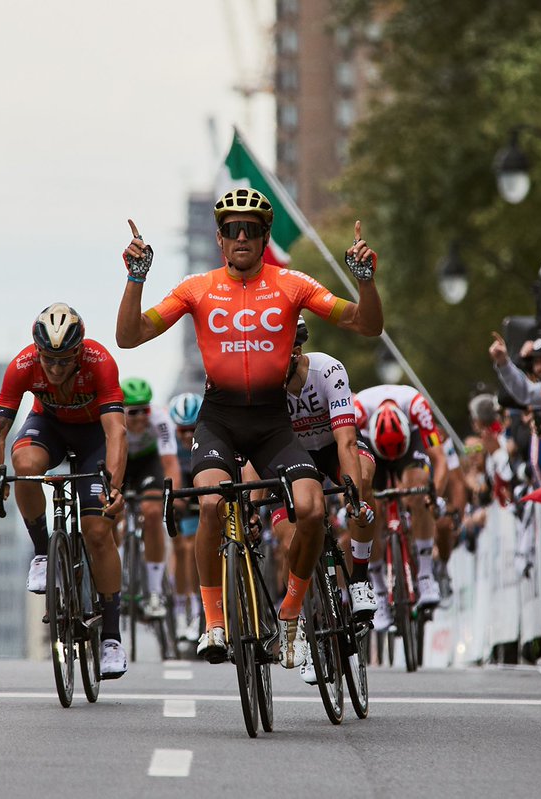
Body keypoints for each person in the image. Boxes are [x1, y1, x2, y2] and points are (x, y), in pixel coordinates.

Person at [114, 190, 383, 669]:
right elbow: (129, 336)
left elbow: (366, 325)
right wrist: (136, 278)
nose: (242, 236)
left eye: (253, 229)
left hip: (272, 424)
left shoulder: (291, 284)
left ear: (264, 237)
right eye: (233, 228)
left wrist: (365, 281)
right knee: (212, 503)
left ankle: (291, 619)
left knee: (312, 509)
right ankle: (213, 622)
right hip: (219, 421)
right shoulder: (196, 288)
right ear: (219, 238)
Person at [0, 303, 129, 678]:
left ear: (79, 353)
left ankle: (110, 637)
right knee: (25, 468)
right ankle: (43, 553)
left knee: (97, 532)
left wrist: (114, 488)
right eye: (49, 360)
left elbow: (116, 433)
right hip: (50, 429)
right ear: (37, 352)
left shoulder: (100, 361)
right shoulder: (23, 365)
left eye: (65, 361)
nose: (56, 370)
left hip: (94, 436)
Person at [275, 316, 377, 683]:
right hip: (291, 460)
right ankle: (303, 623)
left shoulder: (328, 369)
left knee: (364, 477)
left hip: (333, 449)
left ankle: (361, 579)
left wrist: (354, 497)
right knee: (291, 536)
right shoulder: (263, 379)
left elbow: (347, 441)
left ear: (296, 351)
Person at [353, 383, 449, 623]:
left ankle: (426, 576)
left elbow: (440, 460)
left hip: (410, 445)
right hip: (369, 444)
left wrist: (434, 496)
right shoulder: (358, 413)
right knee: (367, 507)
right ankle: (377, 587)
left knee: (418, 488)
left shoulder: (417, 405)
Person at [120, 377, 182, 619]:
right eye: (133, 411)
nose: (140, 417)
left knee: (153, 512)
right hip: (121, 461)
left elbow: (170, 462)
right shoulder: (111, 419)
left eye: (144, 410)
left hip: (148, 463)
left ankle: (155, 591)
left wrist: (172, 498)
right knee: (109, 515)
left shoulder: (160, 420)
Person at [167, 392, 203, 642]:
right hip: (181, 490)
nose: (188, 436)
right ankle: (184, 606)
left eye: (193, 429)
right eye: (183, 431)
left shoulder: (209, 437)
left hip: (203, 486)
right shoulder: (167, 442)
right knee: (184, 546)